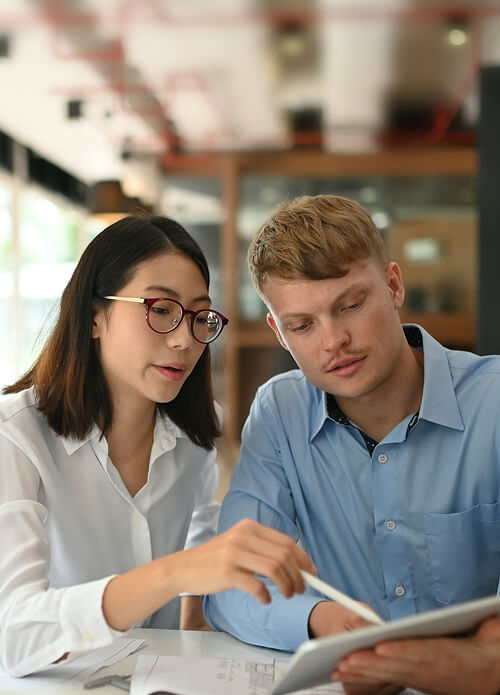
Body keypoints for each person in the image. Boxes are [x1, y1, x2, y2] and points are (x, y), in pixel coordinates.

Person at [204, 195, 500, 695]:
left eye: (352, 305)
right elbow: (233, 586)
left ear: (393, 285)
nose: (333, 340)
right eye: (302, 325)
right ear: (279, 332)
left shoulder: (493, 403)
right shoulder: (279, 413)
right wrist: (319, 619)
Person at [0, 215, 315, 677]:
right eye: (161, 309)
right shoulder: (16, 437)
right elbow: (13, 632)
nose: (186, 340)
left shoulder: (196, 437)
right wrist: (177, 571)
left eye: (199, 316)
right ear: (93, 317)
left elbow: (201, 584)